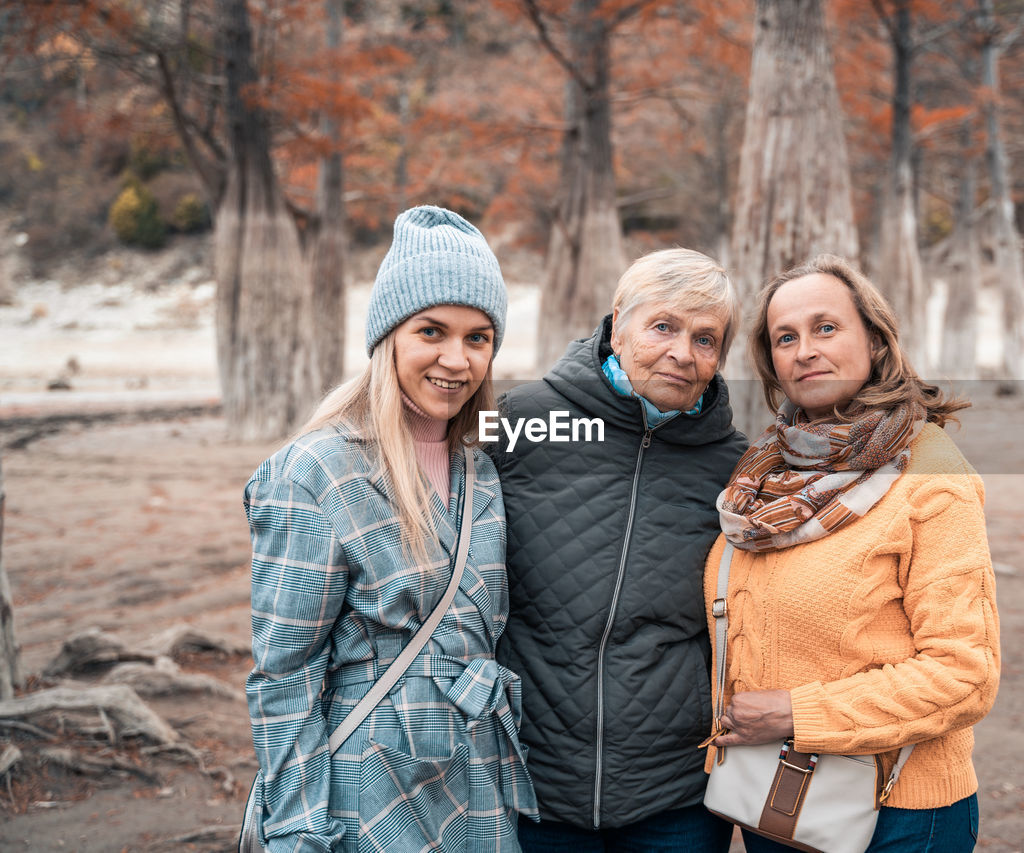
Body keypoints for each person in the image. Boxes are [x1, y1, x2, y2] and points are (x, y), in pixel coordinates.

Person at [244, 206, 537, 851]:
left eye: (479, 337)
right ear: (389, 337)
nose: (456, 360)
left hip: (478, 794)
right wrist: (296, 830)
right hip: (367, 799)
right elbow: (285, 675)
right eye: (432, 331)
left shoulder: (479, 471)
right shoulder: (318, 472)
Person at [704, 254, 1000, 853]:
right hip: (776, 798)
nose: (805, 350)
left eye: (826, 327)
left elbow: (965, 675)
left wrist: (795, 714)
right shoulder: (763, 475)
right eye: (785, 337)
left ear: (874, 338)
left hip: (896, 813)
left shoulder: (931, 475)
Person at [491, 248, 746, 852]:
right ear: (618, 322)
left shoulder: (734, 464)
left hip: (677, 794)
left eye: (706, 339)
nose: (683, 353)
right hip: (532, 783)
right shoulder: (522, 419)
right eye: (663, 326)